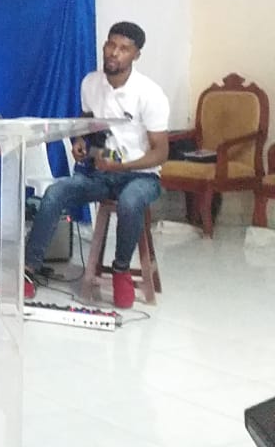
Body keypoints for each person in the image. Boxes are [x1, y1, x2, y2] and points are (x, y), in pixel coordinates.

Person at [23, 21, 169, 309]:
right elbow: (87, 120)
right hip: (100, 172)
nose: (114, 53)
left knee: (130, 201)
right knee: (55, 193)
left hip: (141, 175)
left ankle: (120, 270)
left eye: (124, 48)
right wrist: (80, 139)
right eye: (111, 45)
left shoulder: (149, 94)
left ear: (136, 55)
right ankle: (28, 269)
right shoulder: (91, 83)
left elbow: (161, 152)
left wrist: (122, 167)